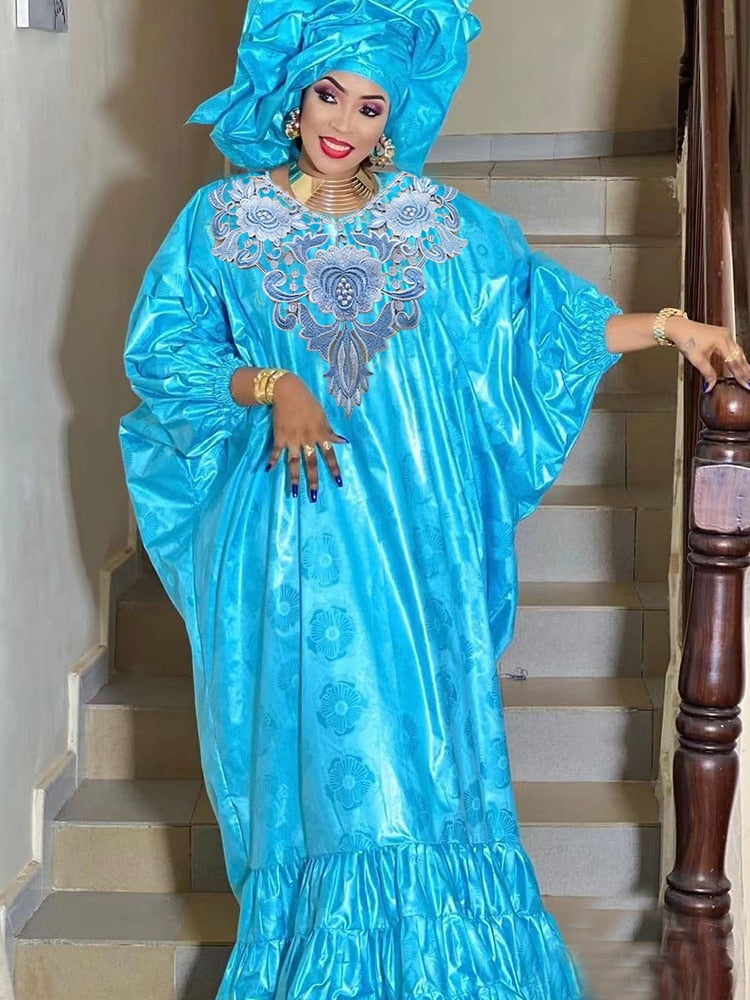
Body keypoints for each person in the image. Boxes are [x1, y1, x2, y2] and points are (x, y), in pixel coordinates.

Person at [119, 1, 750, 996]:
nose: (345, 122)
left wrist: (676, 328)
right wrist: (274, 385)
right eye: (330, 94)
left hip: (420, 553)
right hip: (294, 547)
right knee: (338, 792)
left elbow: (538, 326)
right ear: (293, 100)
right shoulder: (222, 222)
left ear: (393, 121)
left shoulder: (439, 225)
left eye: (371, 106)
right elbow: (164, 355)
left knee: (431, 779)